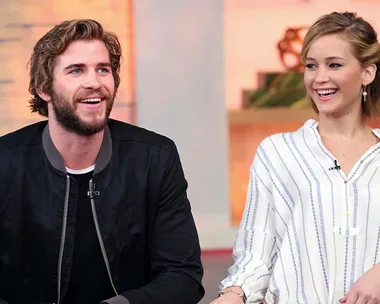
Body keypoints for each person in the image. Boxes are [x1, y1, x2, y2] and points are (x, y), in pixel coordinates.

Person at [0, 19, 204, 304]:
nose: (94, 82)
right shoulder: (6, 162)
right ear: (43, 89)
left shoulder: (155, 157)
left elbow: (183, 276)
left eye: (103, 70)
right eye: (76, 70)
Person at [212, 11, 380, 304]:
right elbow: (255, 253)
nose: (319, 78)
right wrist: (233, 294)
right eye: (311, 66)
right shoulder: (277, 152)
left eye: (335, 65)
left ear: (368, 72)